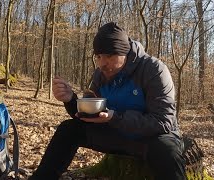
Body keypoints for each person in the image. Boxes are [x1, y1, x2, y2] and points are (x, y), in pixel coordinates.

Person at [29, 22, 186, 180]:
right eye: (98, 56)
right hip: (116, 134)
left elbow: (163, 122)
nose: (102, 63)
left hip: (149, 140)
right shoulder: (100, 74)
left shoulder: (154, 70)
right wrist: (70, 99)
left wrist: (115, 117)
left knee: (168, 150)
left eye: (109, 56)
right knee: (69, 129)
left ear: (124, 52)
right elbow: (88, 115)